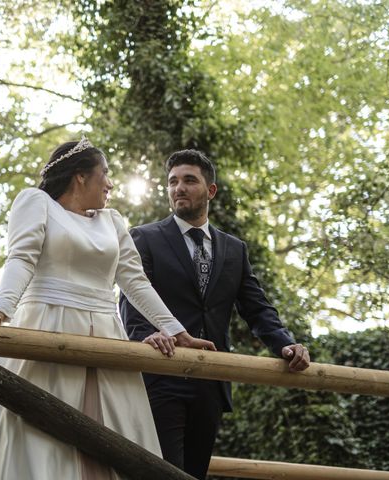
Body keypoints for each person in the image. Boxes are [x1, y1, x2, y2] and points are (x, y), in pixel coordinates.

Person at [0, 138, 215, 480]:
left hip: (107, 336)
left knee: (116, 441)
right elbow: (21, 257)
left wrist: (179, 333)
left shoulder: (113, 221)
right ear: (80, 177)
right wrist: (0, 312)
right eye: (104, 173)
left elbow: (136, 282)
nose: (110, 183)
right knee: (37, 430)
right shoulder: (36, 203)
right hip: (47, 326)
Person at [119, 149, 310, 479]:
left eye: (189, 180)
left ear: (211, 190)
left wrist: (285, 345)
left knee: (195, 474)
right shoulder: (145, 238)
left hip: (211, 381)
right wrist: (142, 338)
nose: (179, 188)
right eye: (172, 182)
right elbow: (133, 298)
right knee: (162, 472)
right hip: (160, 372)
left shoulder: (235, 249)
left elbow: (257, 308)